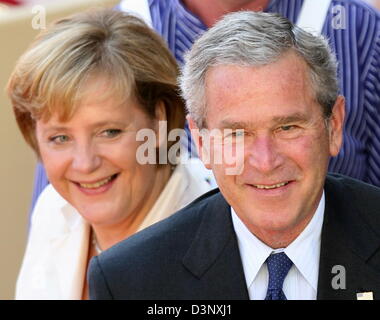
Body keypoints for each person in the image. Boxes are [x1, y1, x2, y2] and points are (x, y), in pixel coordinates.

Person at [88, 11, 380, 300]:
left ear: (335, 126)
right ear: (201, 141)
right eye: (237, 134)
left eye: (288, 127)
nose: (265, 162)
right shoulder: (130, 281)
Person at [29, 0, 380, 213]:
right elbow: (64, 207)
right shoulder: (111, 44)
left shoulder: (359, 32)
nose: (264, 160)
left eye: (288, 127)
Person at [7, 9, 214, 300]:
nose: (85, 163)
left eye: (109, 132)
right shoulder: (53, 210)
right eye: (60, 137)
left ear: (159, 120)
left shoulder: (219, 234)